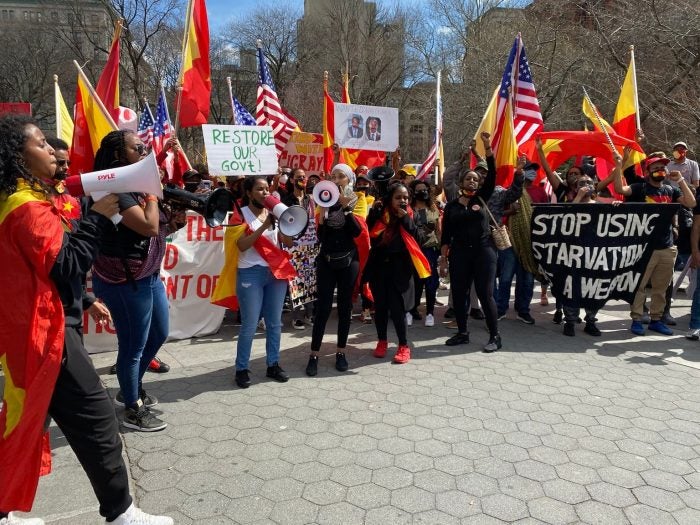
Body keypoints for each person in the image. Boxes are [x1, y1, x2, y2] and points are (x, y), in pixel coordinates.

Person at [0, 115, 173, 525]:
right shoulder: (25, 208)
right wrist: (96, 217)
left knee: (24, 427)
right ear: (19, 157)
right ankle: (122, 513)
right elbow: (69, 263)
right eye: (41, 144)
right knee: (95, 420)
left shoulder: (34, 198)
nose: (52, 151)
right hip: (47, 335)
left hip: (48, 329)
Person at [90, 130, 184, 432]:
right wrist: (153, 196)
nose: (145, 151)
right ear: (119, 156)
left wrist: (175, 216)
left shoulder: (133, 186)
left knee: (159, 333)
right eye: (138, 147)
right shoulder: (111, 188)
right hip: (125, 281)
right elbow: (146, 226)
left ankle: (131, 388)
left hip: (147, 275)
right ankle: (132, 407)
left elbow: (156, 229)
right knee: (133, 347)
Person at [614, 151, 696, 336]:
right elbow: (620, 190)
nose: (660, 170)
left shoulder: (670, 190)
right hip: (643, 248)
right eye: (656, 167)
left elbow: (690, 203)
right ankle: (636, 319)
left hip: (667, 247)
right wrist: (618, 165)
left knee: (661, 287)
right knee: (640, 285)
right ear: (647, 171)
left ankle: (656, 320)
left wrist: (681, 180)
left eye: (663, 167)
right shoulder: (639, 188)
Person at [440, 132, 501, 352]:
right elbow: (446, 234)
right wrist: (443, 260)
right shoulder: (452, 206)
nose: (472, 181)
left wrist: (487, 147)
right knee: (459, 292)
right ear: (461, 182)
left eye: (476, 179)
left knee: (485, 294)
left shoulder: (482, 197)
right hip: (460, 253)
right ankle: (462, 333)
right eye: (469, 178)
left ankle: (495, 336)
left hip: (484, 252)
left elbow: (492, 173)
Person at [231, 176, 294, 388]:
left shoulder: (276, 212)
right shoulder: (241, 214)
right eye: (259, 189)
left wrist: (286, 226)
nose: (265, 193)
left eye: (267, 189)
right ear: (248, 193)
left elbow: (288, 242)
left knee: (275, 323)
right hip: (250, 273)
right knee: (249, 324)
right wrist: (264, 226)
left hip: (275, 273)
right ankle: (241, 368)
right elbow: (241, 245)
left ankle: (273, 364)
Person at [306, 164, 363, 376]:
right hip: (327, 260)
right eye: (334, 176)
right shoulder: (323, 203)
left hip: (349, 260)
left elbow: (357, 231)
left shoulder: (358, 201)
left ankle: (341, 352)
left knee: (345, 307)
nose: (337, 180)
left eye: (341, 177)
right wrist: (322, 216)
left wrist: (346, 208)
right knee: (323, 308)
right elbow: (321, 237)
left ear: (349, 180)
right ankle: (314, 354)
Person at [365, 182, 428, 364]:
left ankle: (403, 346)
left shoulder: (413, 215)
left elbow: (420, 238)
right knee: (381, 308)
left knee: (397, 309)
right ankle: (382, 341)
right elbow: (369, 234)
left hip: (400, 269)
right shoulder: (379, 213)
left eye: (406, 197)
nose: (403, 200)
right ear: (390, 199)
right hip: (379, 268)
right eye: (398, 197)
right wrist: (374, 213)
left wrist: (405, 220)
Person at [282, 168, 317, 330]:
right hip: (294, 246)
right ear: (291, 180)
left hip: (311, 245)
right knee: (296, 281)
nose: (302, 179)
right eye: (298, 177)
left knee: (310, 280)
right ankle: (296, 317)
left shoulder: (311, 199)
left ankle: (310, 314)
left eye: (304, 176)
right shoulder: (287, 200)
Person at [408, 179, 441, 327]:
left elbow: (439, 231)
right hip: (413, 250)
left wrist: (442, 252)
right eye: (420, 190)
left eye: (425, 190)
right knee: (414, 282)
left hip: (430, 250)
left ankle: (430, 313)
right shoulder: (409, 208)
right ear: (413, 193)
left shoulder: (434, 208)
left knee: (430, 282)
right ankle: (411, 309)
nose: (423, 192)